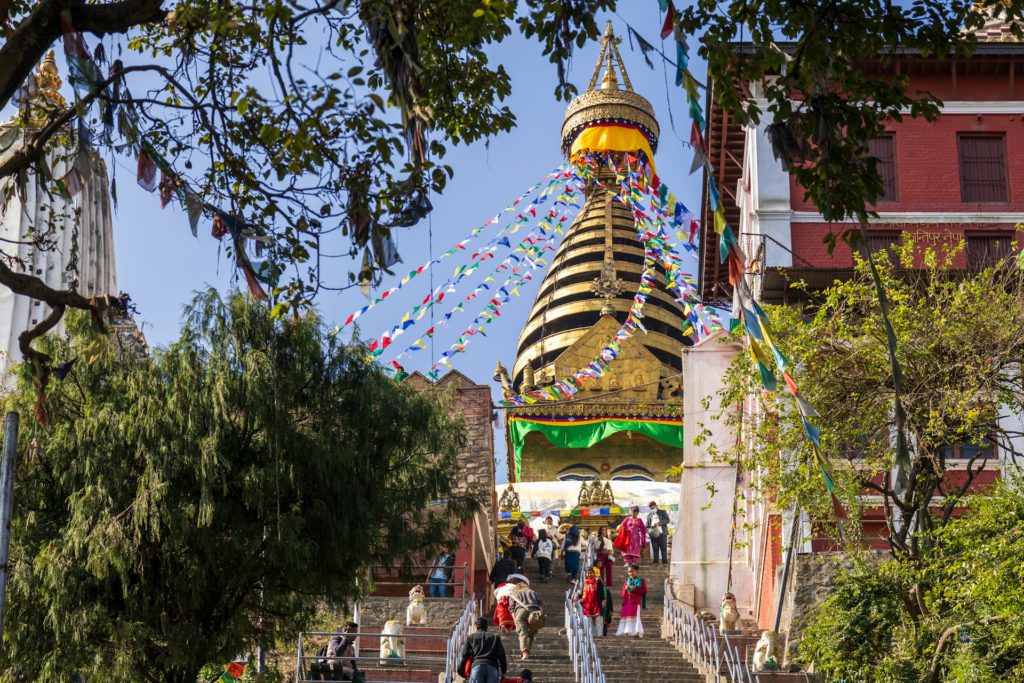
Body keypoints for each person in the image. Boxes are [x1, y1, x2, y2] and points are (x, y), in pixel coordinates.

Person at [459, 617, 508, 683]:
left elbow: (465, 654)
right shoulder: (495, 637)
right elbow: (502, 655)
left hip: (477, 667)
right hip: (492, 667)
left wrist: (461, 670)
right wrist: (503, 671)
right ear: (486, 627)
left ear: (476, 627)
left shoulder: (471, 637)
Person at [508, 580, 545, 660]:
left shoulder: (514, 594)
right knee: (531, 634)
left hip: (520, 612)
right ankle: (528, 651)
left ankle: (525, 652)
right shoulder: (533, 592)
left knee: (523, 632)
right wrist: (540, 616)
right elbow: (540, 605)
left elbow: (512, 609)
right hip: (534, 612)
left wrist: (515, 621)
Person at [616, 563, 647, 638]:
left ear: (636, 572)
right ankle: (626, 631)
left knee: (635, 617)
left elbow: (644, 592)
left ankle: (636, 632)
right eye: (629, 572)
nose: (630, 573)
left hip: (635, 602)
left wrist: (635, 588)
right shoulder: (626, 583)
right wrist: (626, 589)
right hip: (626, 602)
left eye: (632, 571)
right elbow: (623, 595)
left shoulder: (641, 581)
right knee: (626, 617)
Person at [579, 565, 605, 636]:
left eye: (590, 573)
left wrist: (603, 600)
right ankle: (590, 635)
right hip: (587, 604)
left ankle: (599, 635)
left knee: (598, 620)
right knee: (588, 620)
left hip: (596, 603)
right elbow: (581, 593)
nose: (589, 574)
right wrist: (577, 596)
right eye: (587, 573)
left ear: (594, 573)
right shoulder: (585, 582)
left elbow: (601, 591)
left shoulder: (597, 581)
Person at [646, 501, 670, 565]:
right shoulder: (649, 515)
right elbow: (646, 526)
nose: (652, 509)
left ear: (656, 506)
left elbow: (667, 520)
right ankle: (655, 562)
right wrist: (648, 530)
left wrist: (659, 523)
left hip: (662, 533)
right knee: (655, 548)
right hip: (653, 534)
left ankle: (665, 562)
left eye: (653, 508)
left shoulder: (662, 512)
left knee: (663, 548)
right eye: (651, 508)